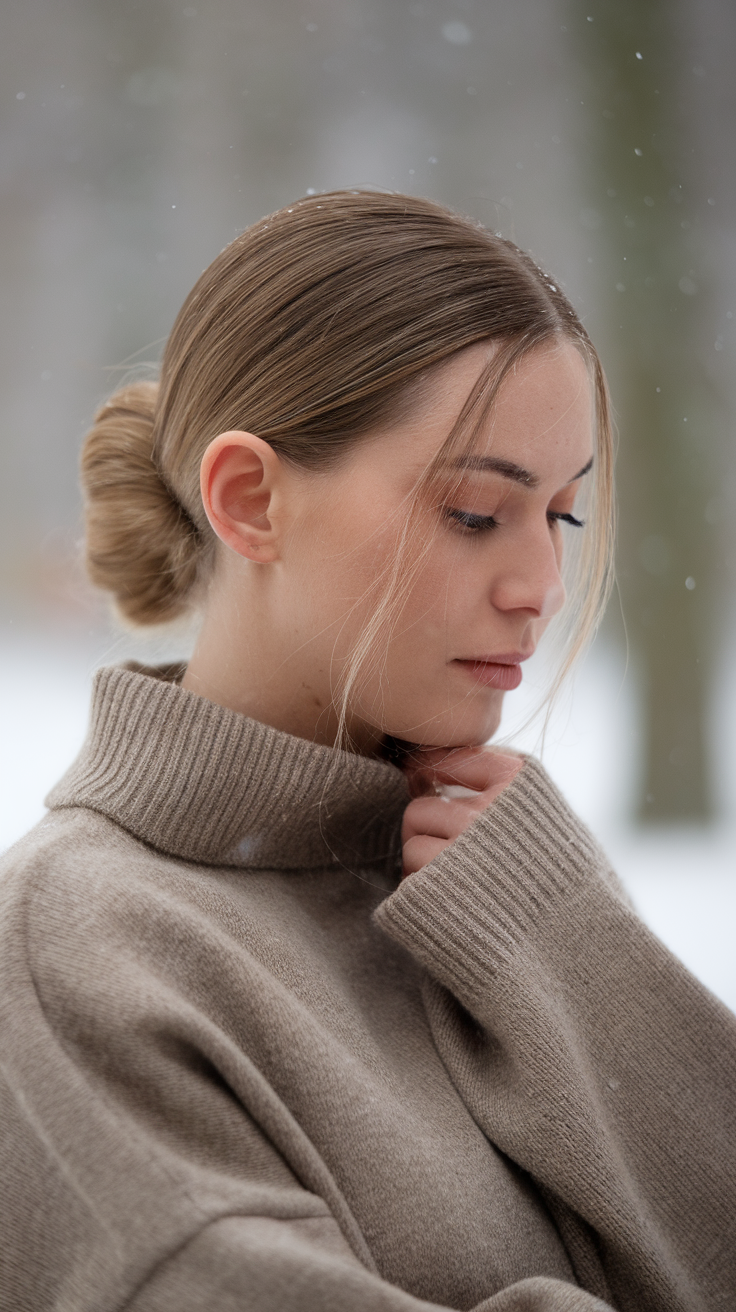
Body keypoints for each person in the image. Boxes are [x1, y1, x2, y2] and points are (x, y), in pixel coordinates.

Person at [0, 190, 734, 1312]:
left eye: (565, 517)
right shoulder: (74, 953)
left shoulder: (492, 882)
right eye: (479, 514)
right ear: (249, 501)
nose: (539, 586)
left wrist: (584, 963)